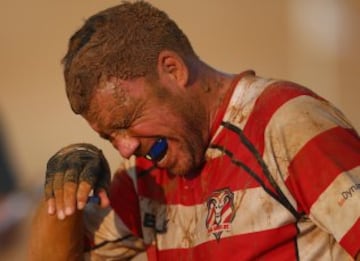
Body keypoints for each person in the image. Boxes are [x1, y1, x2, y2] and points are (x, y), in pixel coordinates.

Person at [29, 1, 360, 260]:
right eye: (109, 137)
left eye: (127, 122)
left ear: (172, 70)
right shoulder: (144, 173)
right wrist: (63, 191)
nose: (125, 148)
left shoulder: (286, 123)